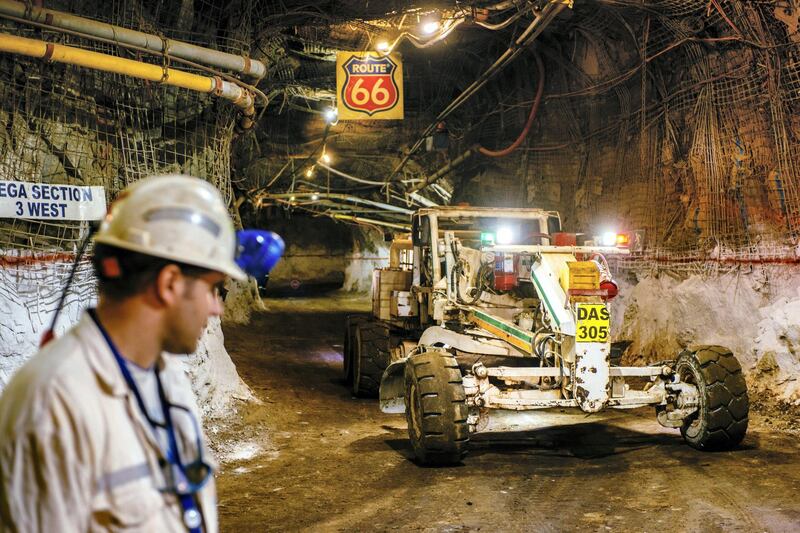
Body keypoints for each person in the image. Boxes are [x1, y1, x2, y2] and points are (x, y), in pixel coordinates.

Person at [0, 175, 248, 533]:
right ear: (169, 284)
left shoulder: (166, 378)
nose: (216, 308)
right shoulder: (51, 406)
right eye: (212, 288)